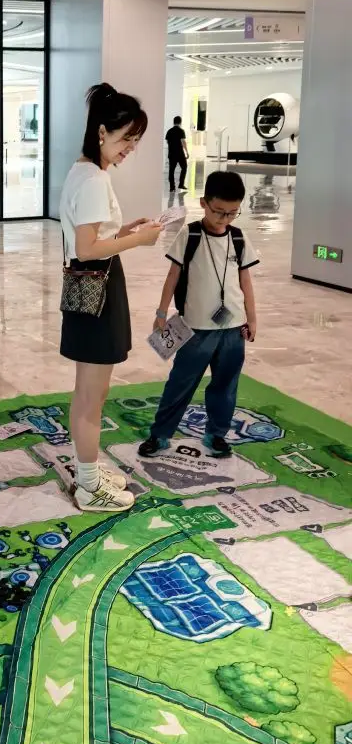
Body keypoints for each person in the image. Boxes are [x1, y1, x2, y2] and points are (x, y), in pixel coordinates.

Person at [60, 83, 164, 513]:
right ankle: (88, 486)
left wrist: (123, 232)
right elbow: (86, 248)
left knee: (90, 392)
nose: (130, 149)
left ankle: (88, 471)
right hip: (97, 289)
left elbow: (89, 237)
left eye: (135, 141)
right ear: (102, 132)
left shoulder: (85, 171)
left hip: (94, 286)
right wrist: (139, 240)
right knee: (91, 395)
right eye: (126, 139)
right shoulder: (93, 180)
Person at [139, 170, 258, 460]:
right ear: (204, 203)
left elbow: (245, 280)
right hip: (194, 329)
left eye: (232, 213)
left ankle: (216, 434)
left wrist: (252, 318)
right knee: (181, 383)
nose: (224, 219)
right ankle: (160, 434)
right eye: (218, 211)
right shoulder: (190, 235)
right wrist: (161, 312)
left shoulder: (239, 238)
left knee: (226, 385)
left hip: (232, 329)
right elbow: (173, 275)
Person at [166, 116, 189, 193]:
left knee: (171, 170)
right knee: (184, 167)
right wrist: (187, 152)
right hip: (180, 154)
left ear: (173, 122)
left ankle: (172, 187)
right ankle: (181, 184)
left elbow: (168, 142)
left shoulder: (169, 131)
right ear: (180, 122)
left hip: (171, 154)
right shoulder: (181, 131)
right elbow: (183, 142)